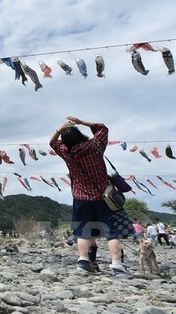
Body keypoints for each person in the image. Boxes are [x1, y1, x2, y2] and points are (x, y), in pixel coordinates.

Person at [49, 116, 133, 278]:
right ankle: (117, 266)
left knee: (82, 232)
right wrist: (80, 122)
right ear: (81, 135)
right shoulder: (94, 146)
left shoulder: (67, 152)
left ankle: (83, 262)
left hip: (81, 197)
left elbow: (52, 143)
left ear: (65, 141)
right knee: (113, 233)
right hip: (104, 197)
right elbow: (102, 129)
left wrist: (59, 130)